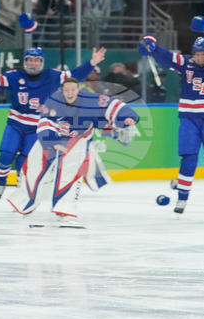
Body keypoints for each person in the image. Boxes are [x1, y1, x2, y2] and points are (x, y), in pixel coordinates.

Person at [0, 46, 106, 203]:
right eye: (30, 60)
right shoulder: (15, 76)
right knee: (6, 156)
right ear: (25, 61)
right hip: (16, 124)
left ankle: (21, 186)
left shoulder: (52, 76)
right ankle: (0, 183)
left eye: (36, 60)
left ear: (41, 62)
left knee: (25, 162)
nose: (33, 63)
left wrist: (91, 63)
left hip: (37, 128)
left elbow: (74, 75)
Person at [8, 78, 139, 221]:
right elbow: (45, 121)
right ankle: (26, 201)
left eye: (72, 89)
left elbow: (112, 104)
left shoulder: (90, 99)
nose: (69, 93)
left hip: (78, 139)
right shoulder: (53, 100)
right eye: (66, 90)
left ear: (78, 90)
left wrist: (128, 117)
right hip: (54, 136)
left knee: (69, 172)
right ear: (62, 90)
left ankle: (63, 208)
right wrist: (51, 141)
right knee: (35, 166)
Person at [141, 18, 204, 214]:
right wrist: (152, 48)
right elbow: (168, 58)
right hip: (189, 118)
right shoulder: (187, 63)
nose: (199, 57)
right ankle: (182, 199)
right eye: (197, 54)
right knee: (188, 159)